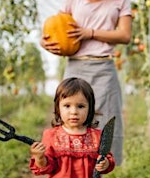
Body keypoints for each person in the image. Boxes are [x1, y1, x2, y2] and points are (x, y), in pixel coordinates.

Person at [40, 0, 132, 166]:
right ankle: (69, 166)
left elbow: (125, 35)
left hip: (104, 67)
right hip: (76, 66)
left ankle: (101, 168)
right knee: (71, 118)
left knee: (106, 119)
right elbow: (58, 26)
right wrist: (45, 42)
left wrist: (90, 33)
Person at [29, 77, 115, 178]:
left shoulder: (97, 136)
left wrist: (105, 164)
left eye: (80, 106)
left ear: (90, 108)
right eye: (67, 106)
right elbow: (47, 167)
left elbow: (107, 160)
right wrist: (39, 157)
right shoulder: (51, 136)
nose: (74, 111)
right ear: (58, 108)